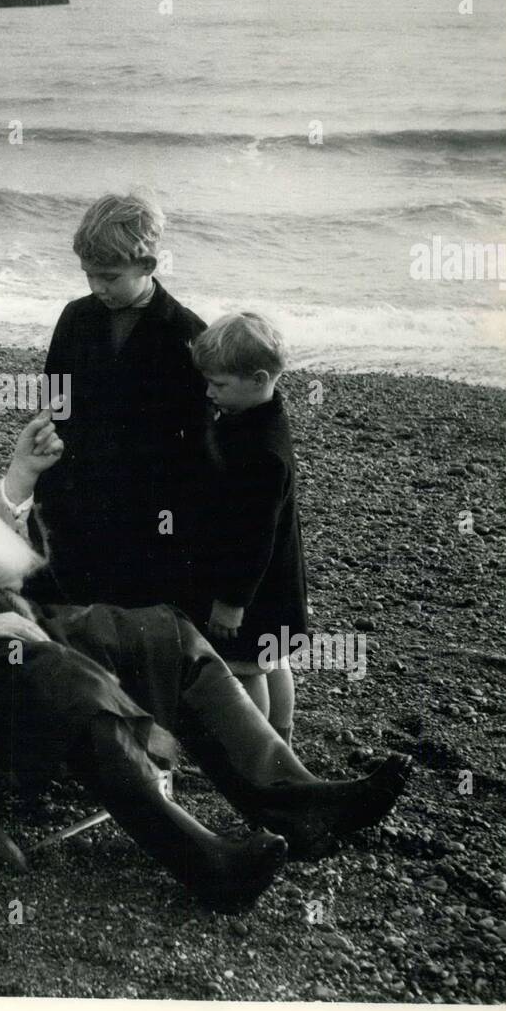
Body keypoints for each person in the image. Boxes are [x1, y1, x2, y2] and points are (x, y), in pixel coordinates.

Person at [0, 342, 411, 913]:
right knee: (67, 680)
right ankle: (208, 863)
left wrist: (18, 481)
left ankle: (294, 801)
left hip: (7, 622)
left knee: (165, 634)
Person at [35, 193, 209, 610]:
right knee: (72, 609)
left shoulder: (186, 332)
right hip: (77, 492)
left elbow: (199, 439)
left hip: (148, 507)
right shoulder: (76, 317)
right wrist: (43, 481)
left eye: (109, 277)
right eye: (89, 275)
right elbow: (53, 398)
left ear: (147, 266)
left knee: (139, 615)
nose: (97, 287)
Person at [188, 312, 308, 745]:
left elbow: (253, 536)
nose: (209, 392)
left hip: (250, 585)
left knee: (245, 665)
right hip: (276, 580)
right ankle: (281, 736)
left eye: (219, 385)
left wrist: (231, 602)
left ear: (258, 378)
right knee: (273, 659)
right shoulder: (264, 418)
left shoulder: (261, 453)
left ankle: (254, 750)